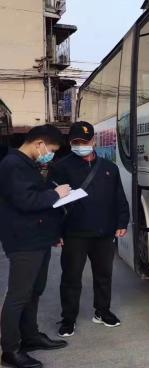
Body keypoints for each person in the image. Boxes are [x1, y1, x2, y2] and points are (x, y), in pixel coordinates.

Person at [48, 122, 129, 338]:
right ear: (70, 143)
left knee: (104, 275)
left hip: (104, 232)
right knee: (71, 278)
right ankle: (68, 319)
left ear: (93, 141)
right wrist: (55, 232)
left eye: (85, 141)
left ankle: (102, 311)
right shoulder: (60, 167)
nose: (81, 145)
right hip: (74, 233)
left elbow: (119, 197)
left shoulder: (109, 168)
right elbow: (52, 203)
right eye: (76, 142)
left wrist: (122, 222)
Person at [0, 125, 71, 368]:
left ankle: (30, 336)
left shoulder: (26, 164)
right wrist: (56, 194)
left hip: (38, 237)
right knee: (18, 295)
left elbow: (35, 198)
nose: (49, 155)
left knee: (34, 291)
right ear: (39, 144)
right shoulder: (13, 164)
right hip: (23, 240)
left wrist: (52, 233)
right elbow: (26, 201)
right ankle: (10, 350)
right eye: (51, 150)